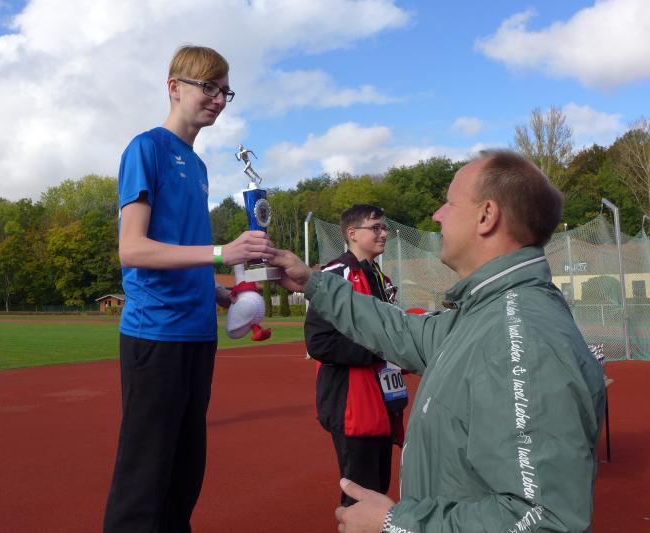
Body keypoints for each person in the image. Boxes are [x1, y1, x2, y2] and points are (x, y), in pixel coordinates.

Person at [272, 150, 606, 532]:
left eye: (449, 203)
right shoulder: (485, 313)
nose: (437, 215)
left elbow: (544, 520)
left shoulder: (522, 339)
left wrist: (396, 524)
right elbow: (401, 331)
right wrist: (313, 283)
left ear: (487, 215)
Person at [103, 45, 275, 533]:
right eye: (209, 87)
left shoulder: (198, 167)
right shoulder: (147, 149)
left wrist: (219, 292)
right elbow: (133, 249)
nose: (218, 99)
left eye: (225, 92)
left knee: (184, 478)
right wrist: (223, 253)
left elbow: (182, 250)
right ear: (174, 87)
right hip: (156, 334)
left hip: (198, 334)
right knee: (145, 484)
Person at [304, 204, 407, 507]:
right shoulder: (336, 275)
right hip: (352, 402)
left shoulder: (382, 279)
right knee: (361, 494)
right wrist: (381, 349)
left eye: (384, 227)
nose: (384, 233)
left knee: (379, 486)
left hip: (383, 399)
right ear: (352, 233)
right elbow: (319, 342)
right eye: (375, 227)